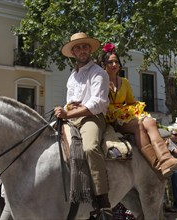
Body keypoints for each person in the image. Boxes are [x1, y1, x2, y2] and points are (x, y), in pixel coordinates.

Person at [99, 42, 177, 180]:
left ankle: (166, 159)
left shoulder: (124, 82)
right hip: (110, 118)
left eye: (116, 61)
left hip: (124, 114)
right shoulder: (99, 81)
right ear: (104, 65)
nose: (114, 65)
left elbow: (130, 103)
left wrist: (140, 113)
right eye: (110, 62)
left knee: (150, 121)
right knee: (139, 125)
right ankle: (157, 165)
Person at [54, 32, 112, 217]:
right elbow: (70, 101)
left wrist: (70, 112)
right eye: (77, 47)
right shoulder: (72, 76)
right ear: (73, 52)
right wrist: (62, 110)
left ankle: (103, 202)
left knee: (89, 148)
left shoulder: (99, 73)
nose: (81, 50)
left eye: (85, 46)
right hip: (71, 117)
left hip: (92, 118)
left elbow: (98, 103)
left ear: (90, 49)